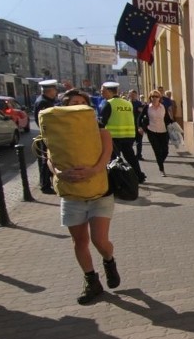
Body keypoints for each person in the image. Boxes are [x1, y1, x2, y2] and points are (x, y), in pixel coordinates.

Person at [48, 89, 120, 305]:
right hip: (72, 196)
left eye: (81, 103)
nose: (76, 106)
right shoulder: (57, 132)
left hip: (100, 193)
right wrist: (59, 173)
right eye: (72, 103)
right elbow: (50, 157)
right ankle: (91, 281)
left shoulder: (100, 131)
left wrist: (93, 171)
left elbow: (106, 155)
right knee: (79, 241)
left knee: (100, 240)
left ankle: (109, 260)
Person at [99, 81, 145, 183]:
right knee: (131, 158)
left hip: (114, 137)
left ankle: (118, 180)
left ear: (109, 91)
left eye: (103, 91)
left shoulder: (109, 103)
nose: (101, 93)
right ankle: (139, 176)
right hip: (128, 136)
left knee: (113, 160)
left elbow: (101, 122)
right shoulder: (128, 103)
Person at [138, 90, 173, 177]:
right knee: (157, 151)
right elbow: (140, 118)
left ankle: (160, 161)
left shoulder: (163, 107)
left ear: (159, 98)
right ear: (150, 98)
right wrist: (140, 127)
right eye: (152, 96)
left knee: (165, 151)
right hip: (151, 131)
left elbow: (167, 119)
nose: (154, 98)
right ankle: (161, 169)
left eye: (156, 96)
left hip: (163, 131)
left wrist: (173, 125)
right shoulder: (147, 107)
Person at [33, 79, 59, 194]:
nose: (56, 92)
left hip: (48, 134)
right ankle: (45, 186)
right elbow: (46, 122)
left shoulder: (46, 100)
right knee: (46, 160)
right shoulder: (44, 103)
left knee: (47, 159)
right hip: (47, 135)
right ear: (51, 90)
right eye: (55, 90)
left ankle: (46, 184)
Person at [129, 90, 145, 159]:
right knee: (129, 142)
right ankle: (131, 156)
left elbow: (142, 112)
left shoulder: (139, 103)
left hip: (138, 124)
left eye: (133, 95)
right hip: (129, 125)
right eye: (131, 94)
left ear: (136, 95)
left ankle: (139, 155)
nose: (132, 96)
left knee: (139, 141)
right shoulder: (127, 103)